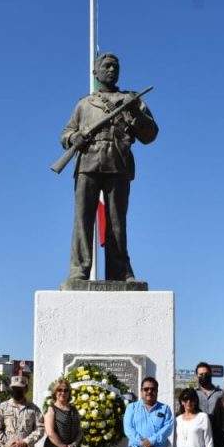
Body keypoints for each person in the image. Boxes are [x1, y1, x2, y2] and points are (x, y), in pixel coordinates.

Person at [60, 52, 159, 282]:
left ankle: (120, 272)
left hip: (118, 163)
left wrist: (134, 111)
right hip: (88, 164)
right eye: (107, 66)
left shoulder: (132, 100)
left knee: (116, 222)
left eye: (115, 66)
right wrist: (74, 138)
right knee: (82, 221)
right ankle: (79, 271)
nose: (112, 70)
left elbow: (150, 134)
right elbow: (65, 133)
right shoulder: (84, 104)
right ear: (96, 72)